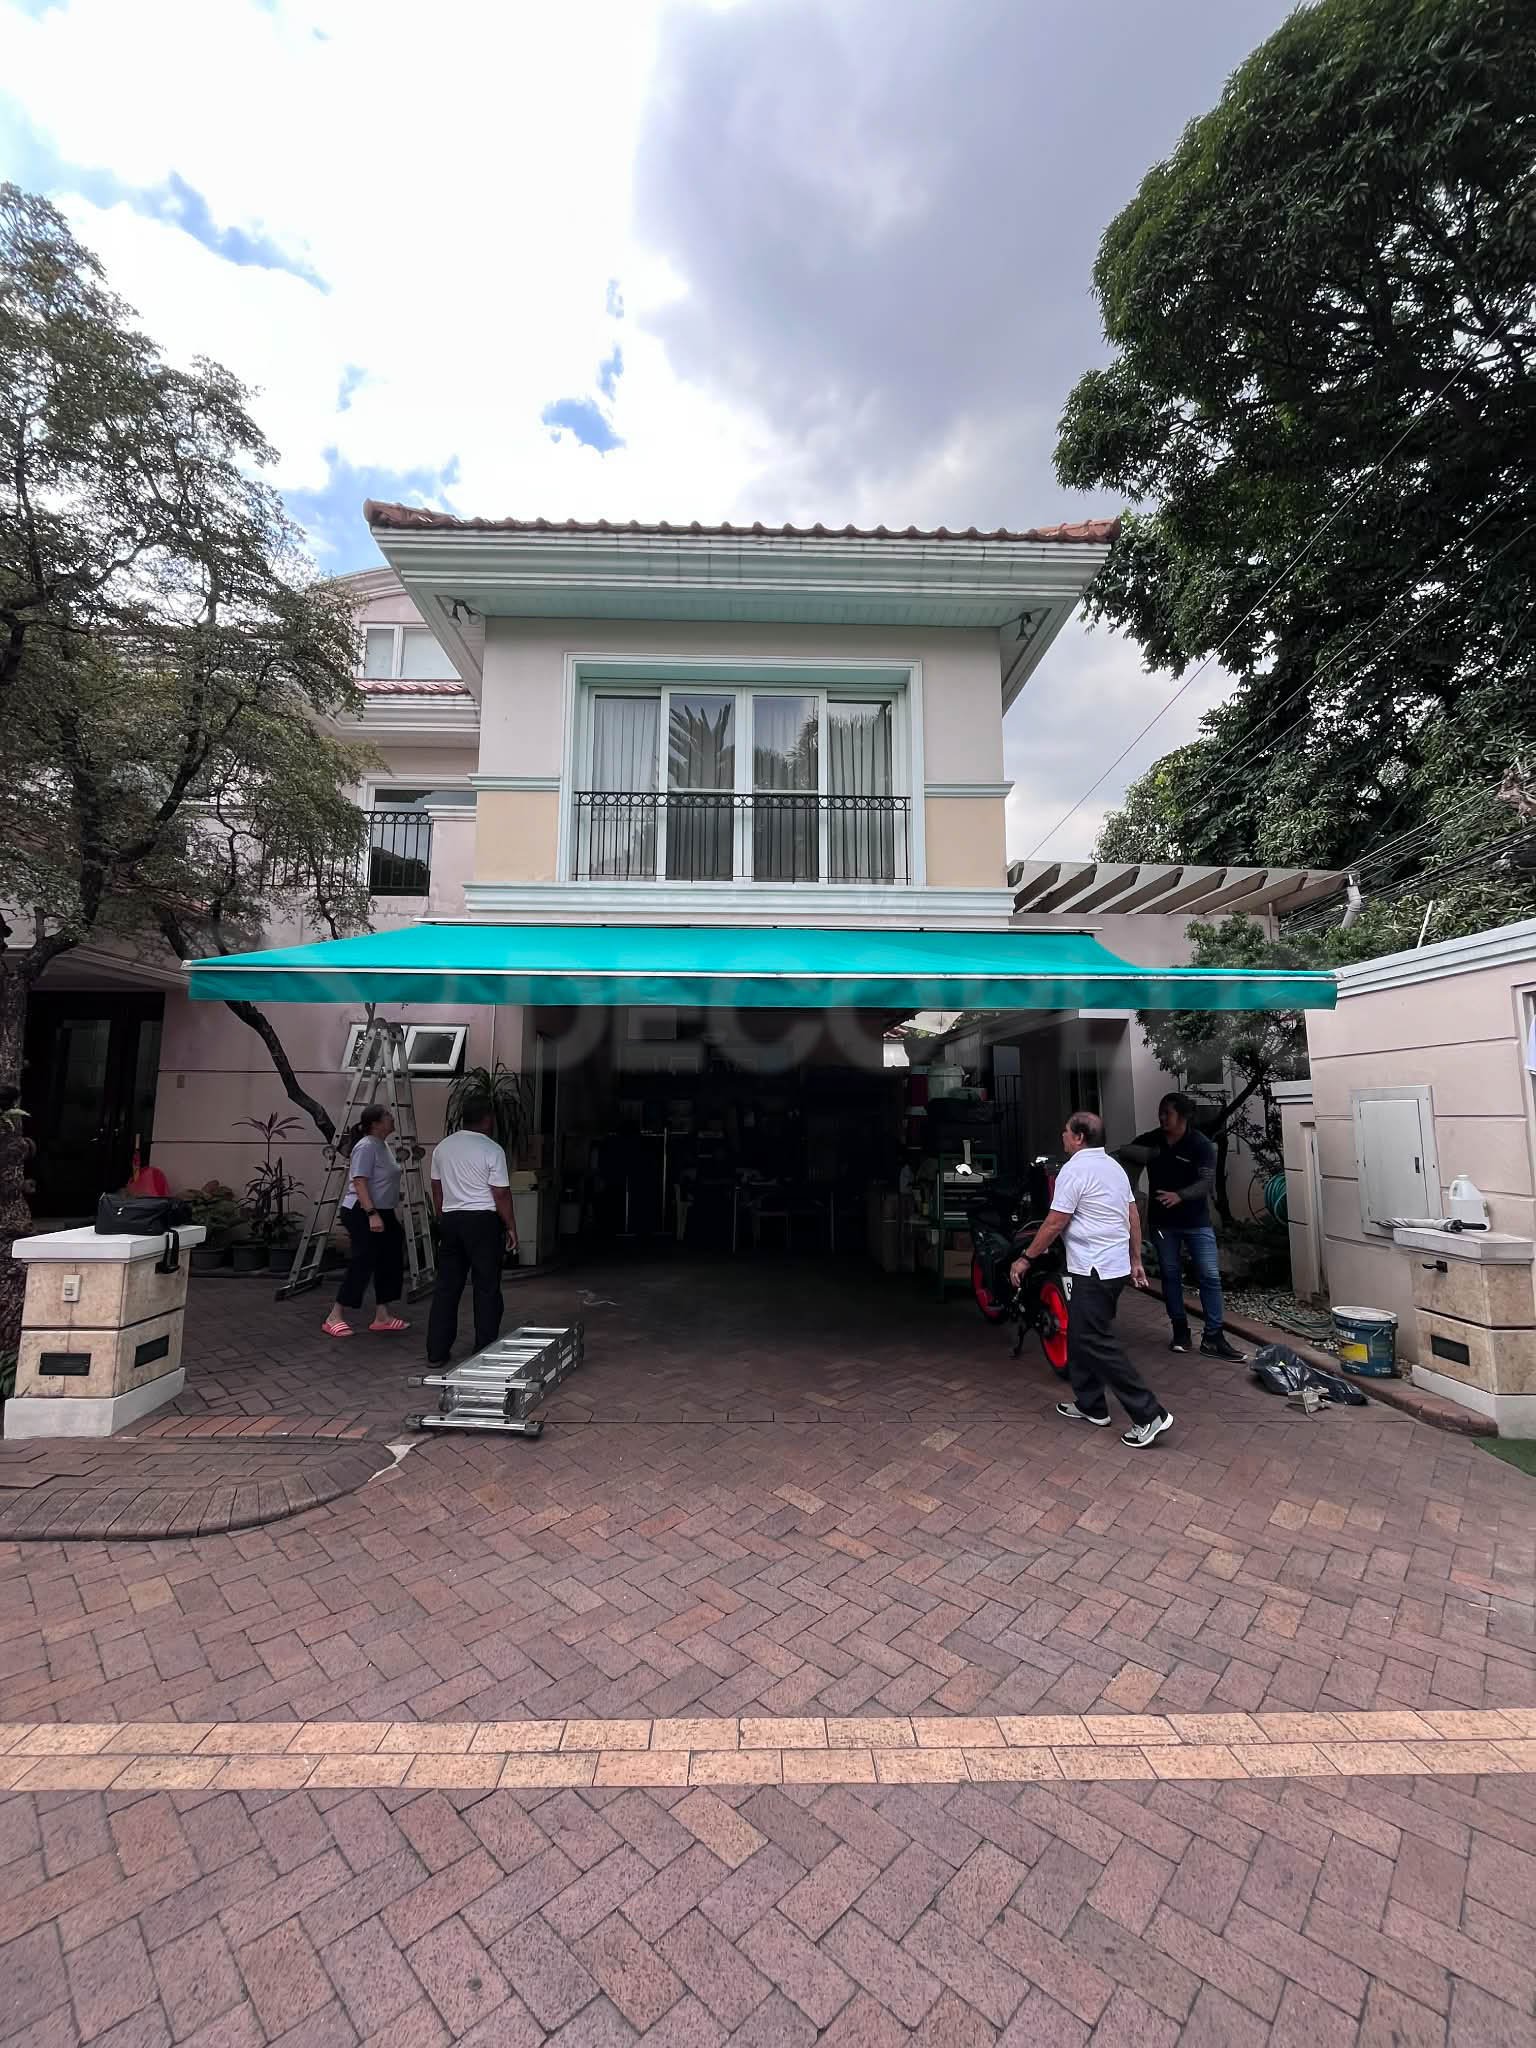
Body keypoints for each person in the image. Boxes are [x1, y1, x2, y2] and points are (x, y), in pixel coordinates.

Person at [1010, 1110, 1172, 1448]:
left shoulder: (1074, 1170)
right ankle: (1091, 1404)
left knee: (1095, 1339)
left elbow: (1055, 1222)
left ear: (1079, 1137)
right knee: (1081, 1334)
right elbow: (1132, 1215)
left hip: (1093, 1270)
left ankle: (1149, 1413)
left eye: (1066, 1131)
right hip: (1113, 1269)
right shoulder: (1113, 1167)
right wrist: (1135, 1259)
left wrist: (1026, 1258)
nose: (1063, 1136)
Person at [1119, 1093, 1245, 1361]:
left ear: (1184, 1116)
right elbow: (1124, 1151)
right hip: (1163, 1223)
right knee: (1170, 1274)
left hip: (1196, 1222)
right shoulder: (1153, 1139)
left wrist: (1180, 1195)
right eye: (1161, 1112)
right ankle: (1180, 1330)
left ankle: (1214, 1336)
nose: (1162, 1117)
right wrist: (1146, 1156)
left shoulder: (1200, 1145)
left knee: (1209, 1276)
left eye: (1168, 1113)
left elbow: (1205, 1183)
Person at [426, 1099, 517, 1365]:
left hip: (451, 1219)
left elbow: (436, 1187)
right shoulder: (492, 1149)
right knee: (486, 1287)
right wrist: (511, 1226)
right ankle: (484, 1349)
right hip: (483, 1222)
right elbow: (500, 1193)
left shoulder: (443, 1148)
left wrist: (443, 1217)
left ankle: (436, 1352)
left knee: (446, 1288)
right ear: (488, 1119)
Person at [322, 1104, 408, 1337]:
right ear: (376, 1124)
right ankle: (334, 1316)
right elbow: (359, 1181)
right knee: (364, 1259)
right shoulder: (366, 1146)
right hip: (362, 1211)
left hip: (383, 1210)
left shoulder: (383, 1145)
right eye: (387, 1115)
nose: (392, 1118)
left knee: (390, 1258)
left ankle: (382, 1316)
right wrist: (371, 1214)